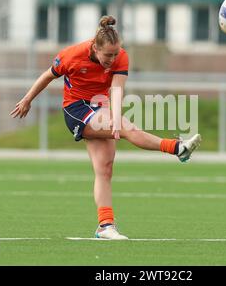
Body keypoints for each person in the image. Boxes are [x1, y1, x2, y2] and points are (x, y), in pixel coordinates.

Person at [10, 15, 201, 240]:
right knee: (128, 129)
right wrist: (27, 100)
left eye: (115, 54)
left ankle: (105, 226)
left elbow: (117, 89)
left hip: (101, 104)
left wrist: (115, 115)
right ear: (95, 48)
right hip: (77, 110)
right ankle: (178, 148)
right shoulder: (71, 55)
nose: (112, 59)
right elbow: (46, 76)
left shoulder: (121, 57)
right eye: (107, 55)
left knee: (105, 168)